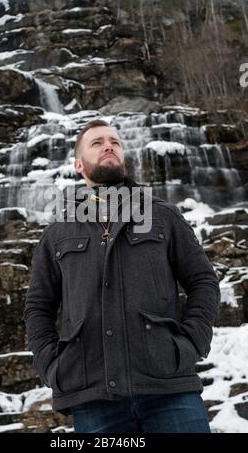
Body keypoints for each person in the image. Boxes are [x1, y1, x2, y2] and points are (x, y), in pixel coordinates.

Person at [24, 119, 221, 433]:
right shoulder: (57, 233)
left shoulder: (163, 216)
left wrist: (191, 343)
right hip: (92, 397)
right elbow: (38, 306)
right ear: (78, 164)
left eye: (115, 142)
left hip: (169, 390)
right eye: (97, 142)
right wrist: (51, 365)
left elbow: (203, 281)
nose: (109, 146)